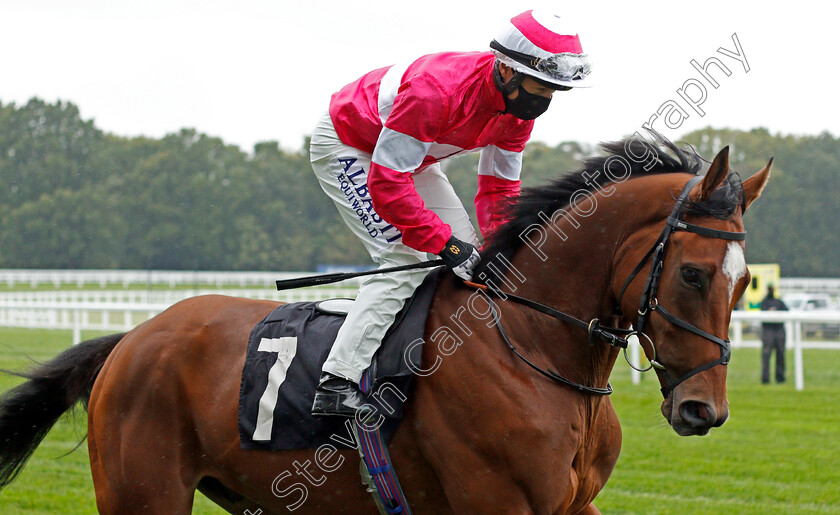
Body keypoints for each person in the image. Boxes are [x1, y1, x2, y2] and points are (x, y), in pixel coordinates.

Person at [309, 9, 593, 416]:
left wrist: (501, 247)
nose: (545, 99)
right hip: (349, 144)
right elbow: (388, 184)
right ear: (508, 71)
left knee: (477, 261)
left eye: (554, 90)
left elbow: (499, 189)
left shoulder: (515, 112)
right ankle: (337, 380)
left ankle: (451, 370)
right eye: (542, 86)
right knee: (405, 259)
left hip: (412, 160)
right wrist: (443, 243)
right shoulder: (436, 91)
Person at [760, 285, 788, 384]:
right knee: (766, 355)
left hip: (779, 330)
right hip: (768, 331)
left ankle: (780, 377)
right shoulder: (764, 302)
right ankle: (765, 378)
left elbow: (787, 312)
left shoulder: (779, 302)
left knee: (780, 355)